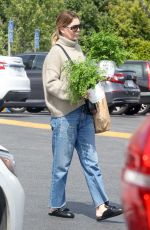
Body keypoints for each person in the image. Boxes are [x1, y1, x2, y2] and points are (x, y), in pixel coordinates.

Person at [42, 10, 123, 221]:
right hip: (64, 116)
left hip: (84, 113)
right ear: (62, 29)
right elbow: (51, 84)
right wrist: (74, 91)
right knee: (62, 164)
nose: (78, 31)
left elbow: (85, 78)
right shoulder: (56, 53)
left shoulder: (78, 49)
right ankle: (56, 205)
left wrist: (97, 76)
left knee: (91, 161)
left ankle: (101, 206)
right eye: (74, 27)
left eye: (79, 27)